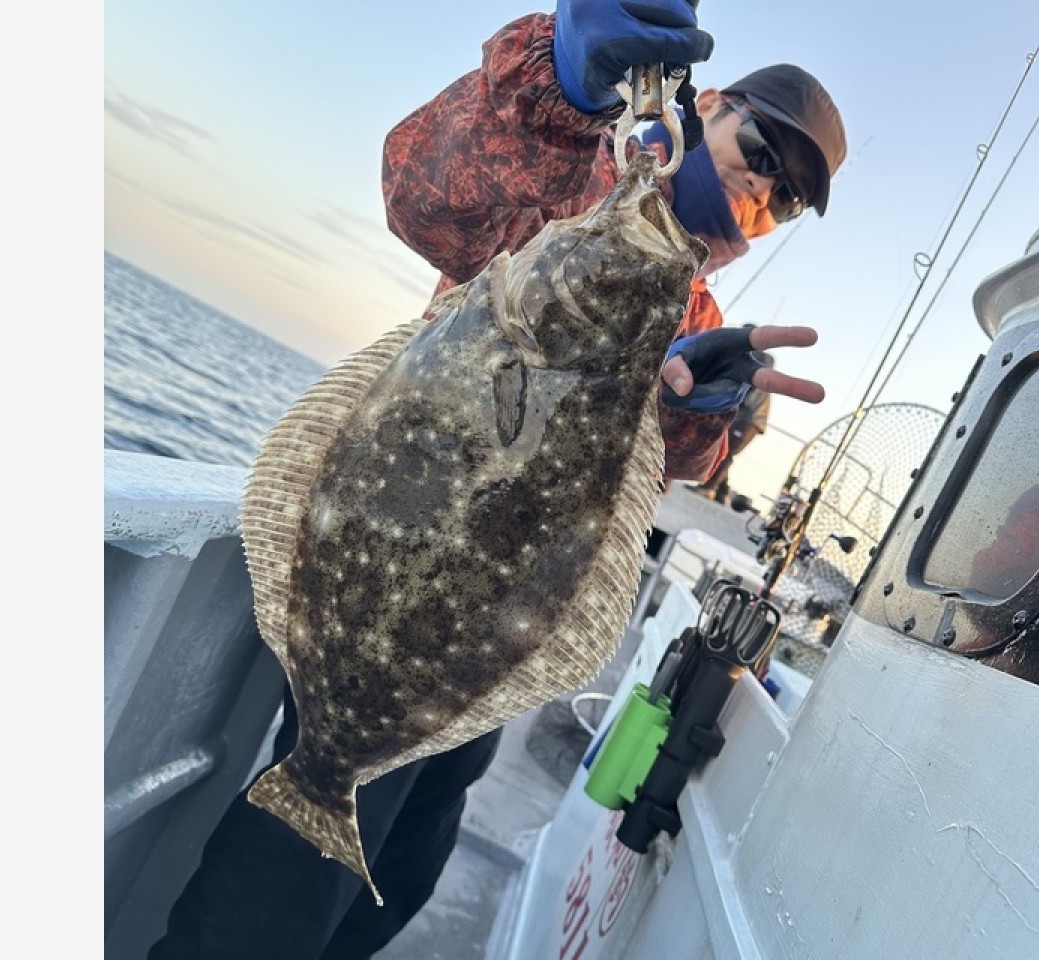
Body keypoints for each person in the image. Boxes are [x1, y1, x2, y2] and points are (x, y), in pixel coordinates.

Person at [150, 3, 848, 957]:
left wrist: (697, 413)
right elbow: (424, 195)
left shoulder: (701, 312)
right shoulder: (576, 177)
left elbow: (680, 470)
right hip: (403, 575)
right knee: (278, 901)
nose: (762, 192)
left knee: (398, 880)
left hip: (487, 629)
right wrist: (555, 85)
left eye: (790, 198)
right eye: (760, 148)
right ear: (710, 104)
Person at [697, 351, 775, 502]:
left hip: (750, 421)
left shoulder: (759, 378)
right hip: (748, 420)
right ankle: (722, 492)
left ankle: (709, 488)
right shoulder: (755, 374)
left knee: (727, 452)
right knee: (725, 450)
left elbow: (744, 399)